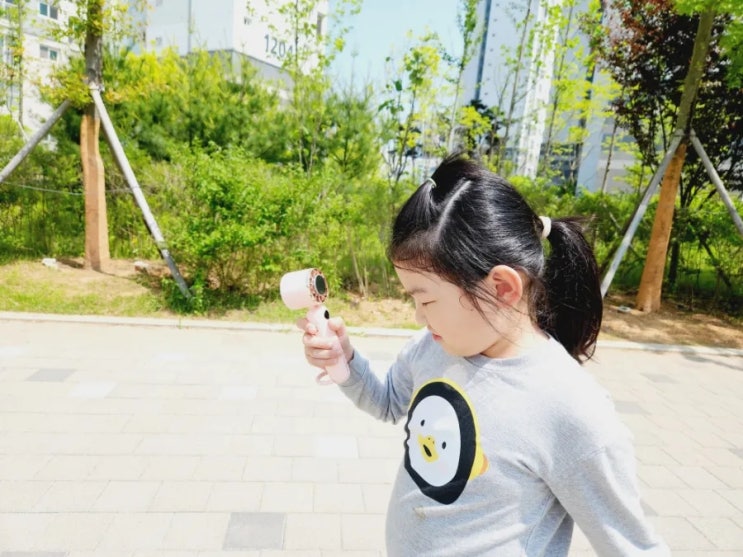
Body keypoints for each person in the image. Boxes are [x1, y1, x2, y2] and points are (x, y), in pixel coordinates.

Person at [297, 154, 669, 556]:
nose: (419, 317)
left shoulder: (570, 409)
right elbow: (387, 402)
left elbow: (633, 547)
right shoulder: (432, 347)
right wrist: (344, 360)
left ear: (502, 288)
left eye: (426, 300)